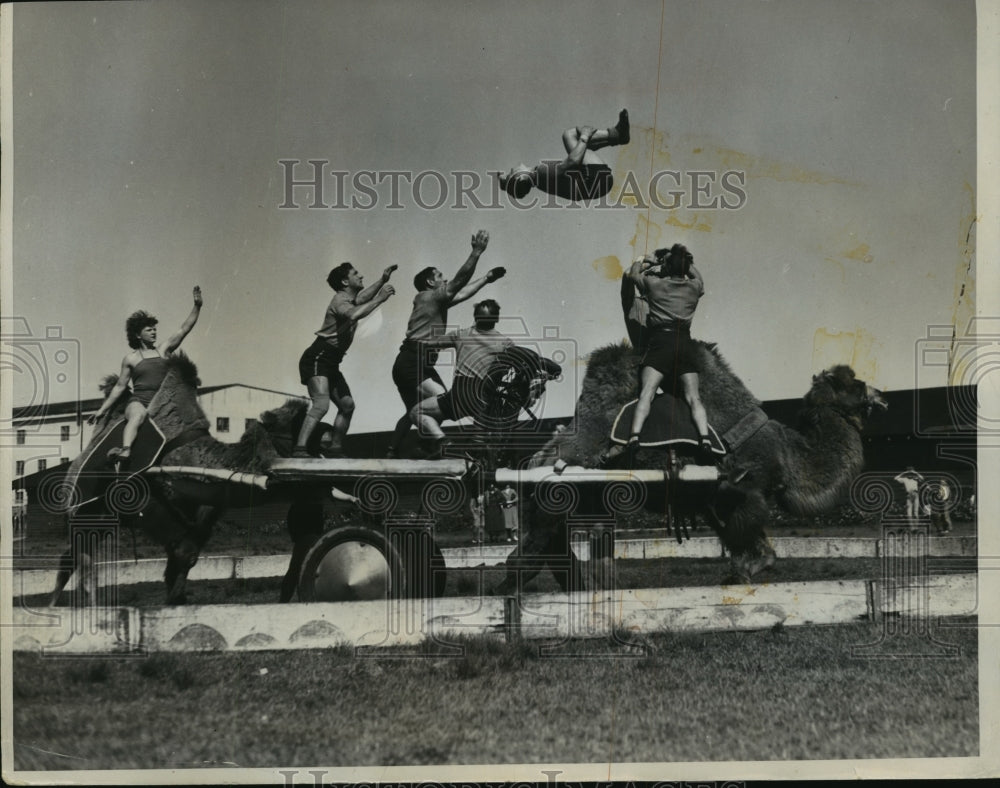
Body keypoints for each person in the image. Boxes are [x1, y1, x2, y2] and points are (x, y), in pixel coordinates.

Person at [386, 230, 505, 458]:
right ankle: (440, 444)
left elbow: (462, 293)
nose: (446, 279)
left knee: (416, 411)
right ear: (431, 282)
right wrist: (476, 252)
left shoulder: (434, 301)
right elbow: (459, 282)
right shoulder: (427, 296)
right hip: (413, 361)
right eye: (441, 276)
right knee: (444, 402)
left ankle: (392, 451)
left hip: (412, 362)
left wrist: (487, 278)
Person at [89, 286, 203, 468]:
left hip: (162, 403)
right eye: (149, 330)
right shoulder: (131, 358)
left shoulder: (163, 350)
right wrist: (101, 410)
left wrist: (197, 306)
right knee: (137, 416)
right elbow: (120, 386)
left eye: (154, 329)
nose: (154, 332)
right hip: (139, 402)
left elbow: (184, 329)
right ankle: (125, 450)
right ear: (137, 334)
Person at [293, 262, 397, 458]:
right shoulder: (340, 300)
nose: (361, 276)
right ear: (344, 281)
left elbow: (363, 298)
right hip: (318, 356)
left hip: (332, 361)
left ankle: (335, 448)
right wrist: (381, 299)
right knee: (321, 404)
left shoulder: (349, 297)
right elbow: (355, 314)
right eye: (356, 274)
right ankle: (299, 450)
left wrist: (382, 280)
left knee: (347, 406)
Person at [621, 245, 710, 465]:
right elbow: (697, 276)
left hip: (661, 344)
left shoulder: (654, 285)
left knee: (647, 393)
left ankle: (634, 437)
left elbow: (632, 274)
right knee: (694, 397)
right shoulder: (694, 287)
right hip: (685, 344)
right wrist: (685, 261)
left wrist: (645, 260)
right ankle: (705, 439)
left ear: (667, 267)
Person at [408, 299, 514, 458]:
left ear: (475, 317)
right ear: (497, 319)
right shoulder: (506, 343)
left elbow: (429, 343)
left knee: (417, 412)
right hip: (486, 402)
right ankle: (483, 450)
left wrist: (414, 335)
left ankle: (442, 442)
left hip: (460, 397)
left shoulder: (461, 335)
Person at [498, 110, 630, 203]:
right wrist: (585, 136)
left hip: (597, 184)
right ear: (521, 177)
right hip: (596, 179)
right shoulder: (540, 173)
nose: (511, 168)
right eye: (511, 172)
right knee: (569, 135)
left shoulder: (539, 182)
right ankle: (617, 135)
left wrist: (504, 181)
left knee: (579, 147)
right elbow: (572, 161)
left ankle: (617, 136)